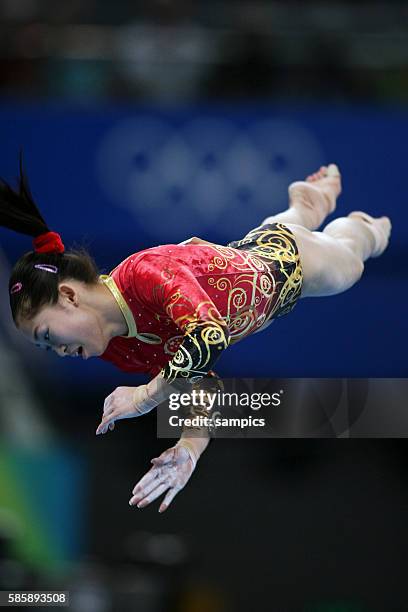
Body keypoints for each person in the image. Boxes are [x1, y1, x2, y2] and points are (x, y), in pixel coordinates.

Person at [0, 161, 391, 513]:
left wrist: (144, 396)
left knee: (349, 264)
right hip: (256, 257)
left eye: (48, 335)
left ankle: (362, 227)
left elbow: (208, 335)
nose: (58, 352)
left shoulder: (143, 273)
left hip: (290, 264)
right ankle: (306, 205)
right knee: (284, 229)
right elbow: (201, 382)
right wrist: (189, 448)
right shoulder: (119, 349)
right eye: (45, 347)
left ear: (68, 296)